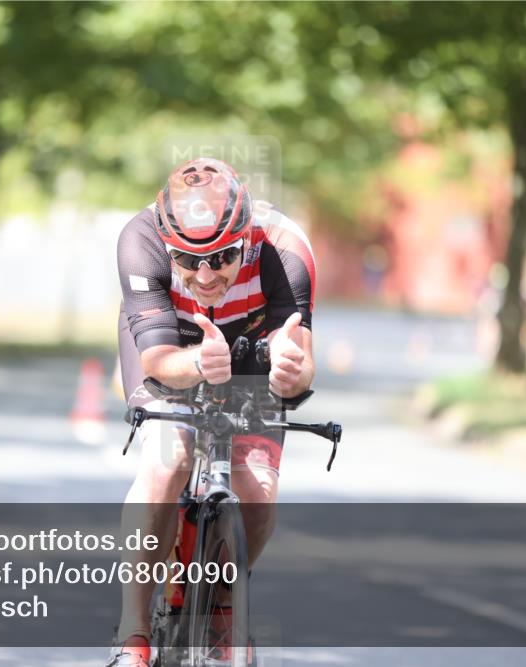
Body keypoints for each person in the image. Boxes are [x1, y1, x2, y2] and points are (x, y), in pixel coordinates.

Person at [108, 157, 316, 666]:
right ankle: (132, 633)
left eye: (221, 257)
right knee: (167, 461)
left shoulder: (284, 248)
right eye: (188, 259)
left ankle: (222, 600)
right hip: (173, 343)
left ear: (245, 238)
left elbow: (303, 360)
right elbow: (156, 360)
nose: (204, 275)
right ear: (167, 244)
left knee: (258, 490)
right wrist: (199, 362)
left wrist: (291, 369)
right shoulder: (141, 240)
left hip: (252, 347)